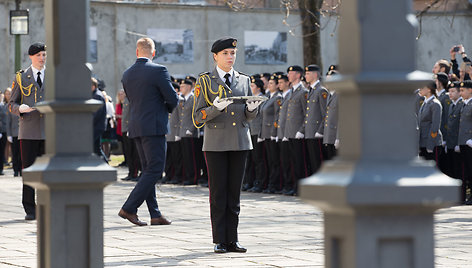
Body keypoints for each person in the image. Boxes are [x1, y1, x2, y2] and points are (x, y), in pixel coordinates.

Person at [192, 37, 262, 253]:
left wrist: (252, 108)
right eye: (225, 53)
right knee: (218, 194)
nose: (230, 57)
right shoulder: (205, 81)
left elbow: (248, 117)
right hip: (215, 143)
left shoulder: (243, 79)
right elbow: (197, 118)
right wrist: (215, 108)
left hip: (240, 141)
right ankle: (220, 239)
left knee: (234, 193)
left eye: (232, 53)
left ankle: (233, 238)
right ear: (215, 56)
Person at [118, 37, 177, 226]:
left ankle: (155, 213)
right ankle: (129, 208)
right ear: (153, 53)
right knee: (155, 169)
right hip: (154, 126)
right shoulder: (159, 70)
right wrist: (164, 110)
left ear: (137, 52)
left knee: (147, 170)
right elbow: (173, 99)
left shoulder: (127, 74)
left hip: (136, 126)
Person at [9, 42, 47, 220]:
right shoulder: (21, 77)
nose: (42, 58)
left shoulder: (54, 75)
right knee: (30, 171)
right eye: (38, 55)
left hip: (49, 132)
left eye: (44, 55)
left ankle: (46, 206)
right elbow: (12, 103)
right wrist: (20, 109)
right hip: (29, 131)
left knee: (48, 171)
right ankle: (30, 209)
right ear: (31, 57)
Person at [284, 65, 309, 195]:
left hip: (299, 133)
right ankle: (295, 186)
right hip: (291, 133)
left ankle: (301, 187)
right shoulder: (292, 92)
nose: (288, 75)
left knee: (300, 162)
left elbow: (307, 114)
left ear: (298, 75)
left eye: (291, 73)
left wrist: (302, 130)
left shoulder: (303, 92)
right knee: (293, 162)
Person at [303, 64, 329, 174]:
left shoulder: (320, 90)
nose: (305, 76)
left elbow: (325, 113)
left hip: (316, 133)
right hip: (309, 132)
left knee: (318, 162)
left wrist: (320, 130)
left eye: (308, 73)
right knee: (312, 163)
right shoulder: (311, 90)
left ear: (315, 74)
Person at [260, 74, 282, 193]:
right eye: (269, 83)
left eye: (272, 83)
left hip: (272, 133)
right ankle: (270, 183)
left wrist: (274, 132)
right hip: (265, 133)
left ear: (278, 85)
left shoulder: (277, 97)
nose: (269, 85)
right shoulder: (268, 96)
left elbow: (277, 116)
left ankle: (275, 184)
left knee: (274, 161)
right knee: (269, 160)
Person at [246, 77, 267, 193]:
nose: (250, 88)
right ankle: (250, 181)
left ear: (258, 87)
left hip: (258, 132)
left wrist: (261, 133)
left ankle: (260, 183)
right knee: (250, 159)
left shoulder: (262, 99)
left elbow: (262, 118)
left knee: (259, 159)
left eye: (252, 86)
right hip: (250, 132)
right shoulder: (250, 99)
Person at [177, 78, 199, 185]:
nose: (181, 88)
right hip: (183, 132)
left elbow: (195, 116)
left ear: (189, 87)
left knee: (192, 158)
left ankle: (193, 178)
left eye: (183, 86)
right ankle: (187, 177)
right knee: (185, 157)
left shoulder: (193, 98)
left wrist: (191, 129)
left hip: (190, 133)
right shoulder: (183, 99)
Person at [418, 81, 443, 164]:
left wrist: (430, 145)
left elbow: (435, 127)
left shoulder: (435, 104)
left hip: (431, 144)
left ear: (429, 89)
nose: (419, 90)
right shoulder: (425, 103)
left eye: (422, 88)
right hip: (423, 143)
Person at [457, 81, 472, 204]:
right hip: (463, 142)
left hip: (470, 143)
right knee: (466, 170)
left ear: (470, 90)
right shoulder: (464, 104)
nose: (460, 92)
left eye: (463, 90)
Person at [5, 87, 21, 176]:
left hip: (23, 134)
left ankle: (22, 170)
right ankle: (15, 170)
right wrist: (9, 134)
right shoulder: (10, 106)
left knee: (21, 153)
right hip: (14, 134)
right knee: (15, 153)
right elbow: (8, 122)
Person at [91, 77, 107, 162]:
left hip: (96, 126)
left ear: (93, 86)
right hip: (96, 126)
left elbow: (96, 114)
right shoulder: (96, 94)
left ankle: (105, 165)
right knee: (96, 148)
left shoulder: (97, 96)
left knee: (96, 149)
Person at [115, 89, 126, 167]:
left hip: (125, 125)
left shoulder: (126, 104)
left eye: (122, 94)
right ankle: (125, 160)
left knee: (127, 145)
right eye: (119, 94)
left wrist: (119, 116)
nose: (120, 96)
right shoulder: (118, 105)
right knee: (123, 145)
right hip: (119, 126)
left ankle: (128, 160)